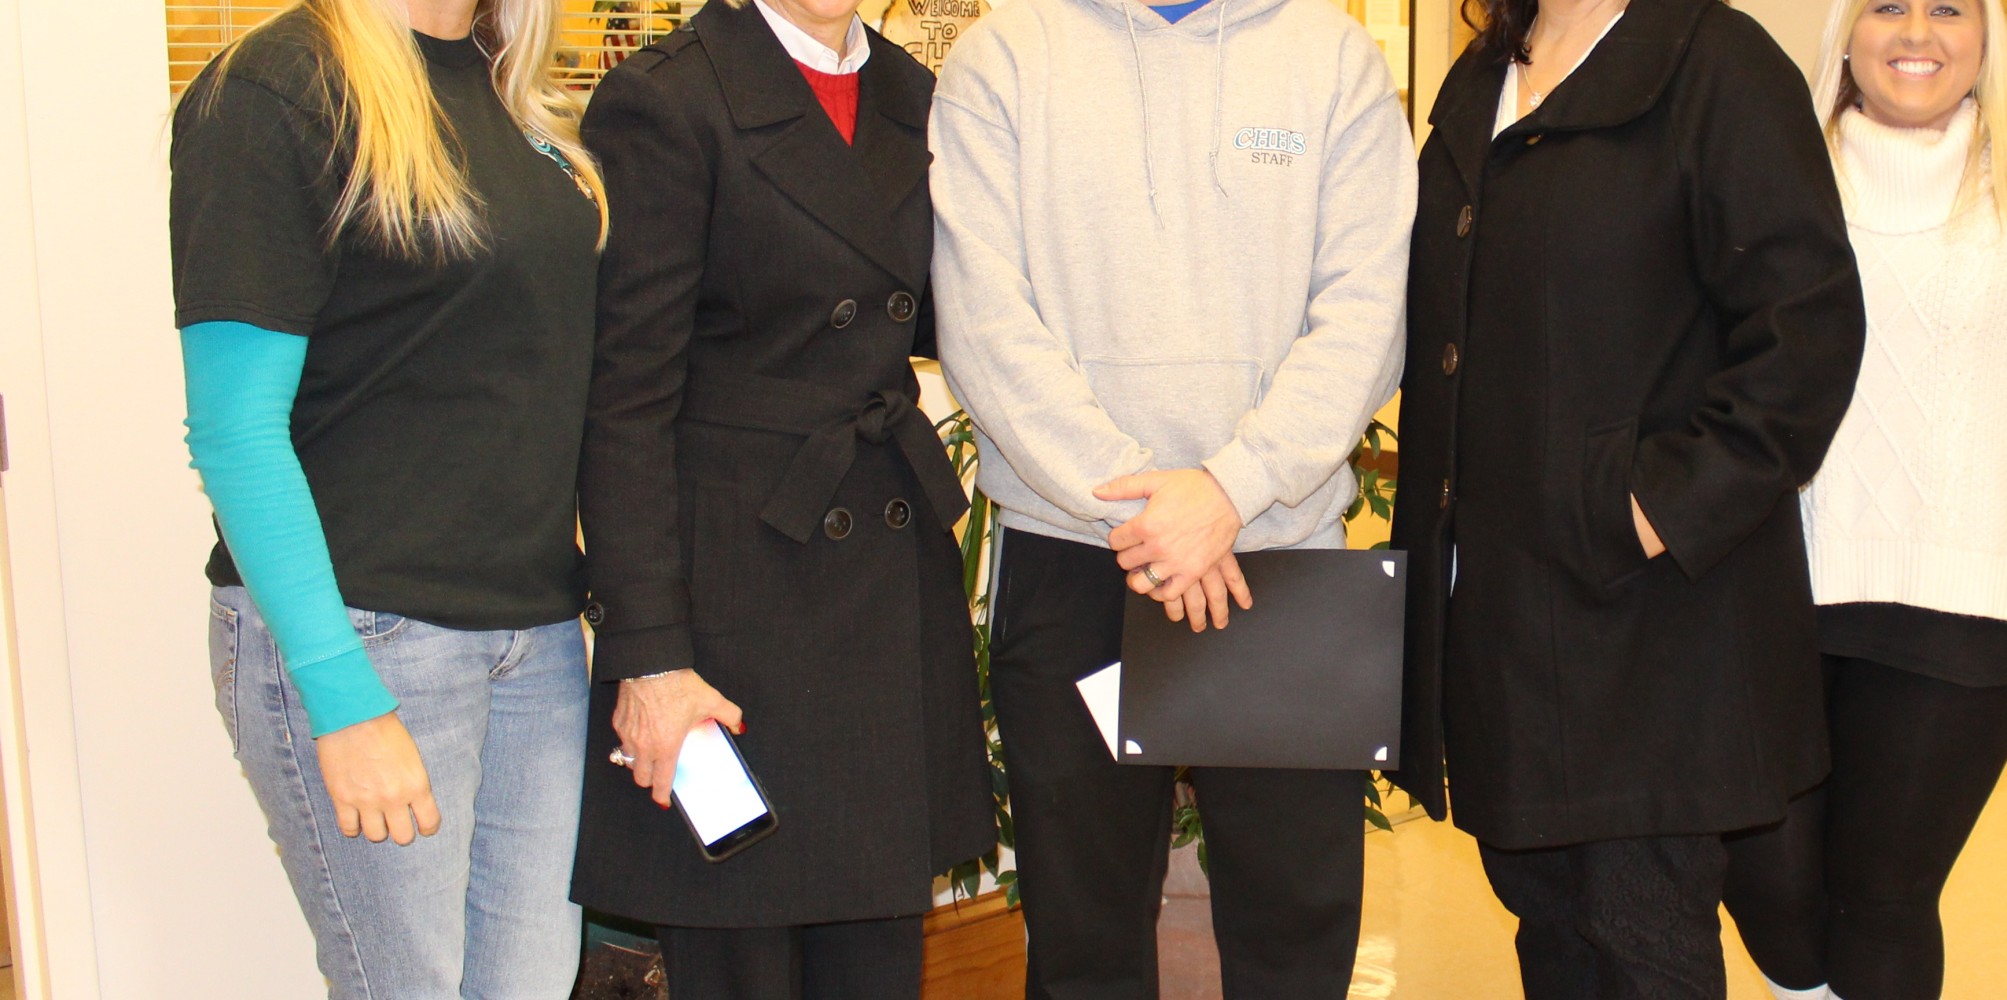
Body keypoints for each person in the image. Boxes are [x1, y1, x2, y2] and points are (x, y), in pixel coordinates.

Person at [927, 0, 1415, 993]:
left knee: (1297, 946)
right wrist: (1154, 517)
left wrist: (1231, 487)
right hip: (1074, 559)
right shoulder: (1001, 59)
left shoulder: (1334, 60)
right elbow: (983, 323)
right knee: (1084, 949)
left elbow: (1368, 312)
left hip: (1283, 561)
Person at [1392, 0, 1865, 992]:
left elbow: (1807, 333)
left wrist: (1654, 507)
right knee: (1550, 924)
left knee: (1637, 933)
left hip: (1653, 619)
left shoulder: (1719, 66)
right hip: (1503, 610)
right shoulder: (1483, 75)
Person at [1717, 0, 2007, 995]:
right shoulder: (1769, 175)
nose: (1917, 31)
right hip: (1771, 585)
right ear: (1847, 33)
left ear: (1986, 37)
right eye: (1888, 6)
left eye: (1948, 7)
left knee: (1882, 898)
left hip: (1969, 599)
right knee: (1766, 880)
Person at [170, 0, 604, 995]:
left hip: (534, 640)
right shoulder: (279, 90)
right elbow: (235, 433)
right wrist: (342, 696)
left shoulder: (512, 95)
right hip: (368, 635)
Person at [568, 1, 995, 996]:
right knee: (739, 960)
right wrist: (650, 656)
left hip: (881, 578)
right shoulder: (666, 99)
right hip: (731, 612)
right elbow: (623, 407)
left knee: (875, 965)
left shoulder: (916, 95)